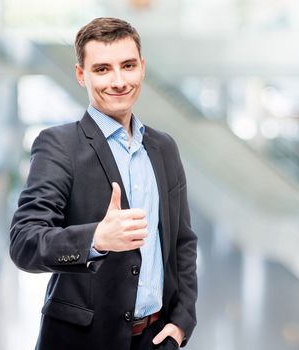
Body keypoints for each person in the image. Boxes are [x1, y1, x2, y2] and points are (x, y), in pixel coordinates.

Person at [10, 17, 197, 350]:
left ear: (142, 68)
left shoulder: (164, 148)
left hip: (155, 339)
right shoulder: (58, 146)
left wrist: (181, 321)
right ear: (81, 75)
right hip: (82, 341)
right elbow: (25, 242)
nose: (119, 81)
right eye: (102, 69)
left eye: (128, 66)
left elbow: (182, 242)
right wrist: (96, 238)